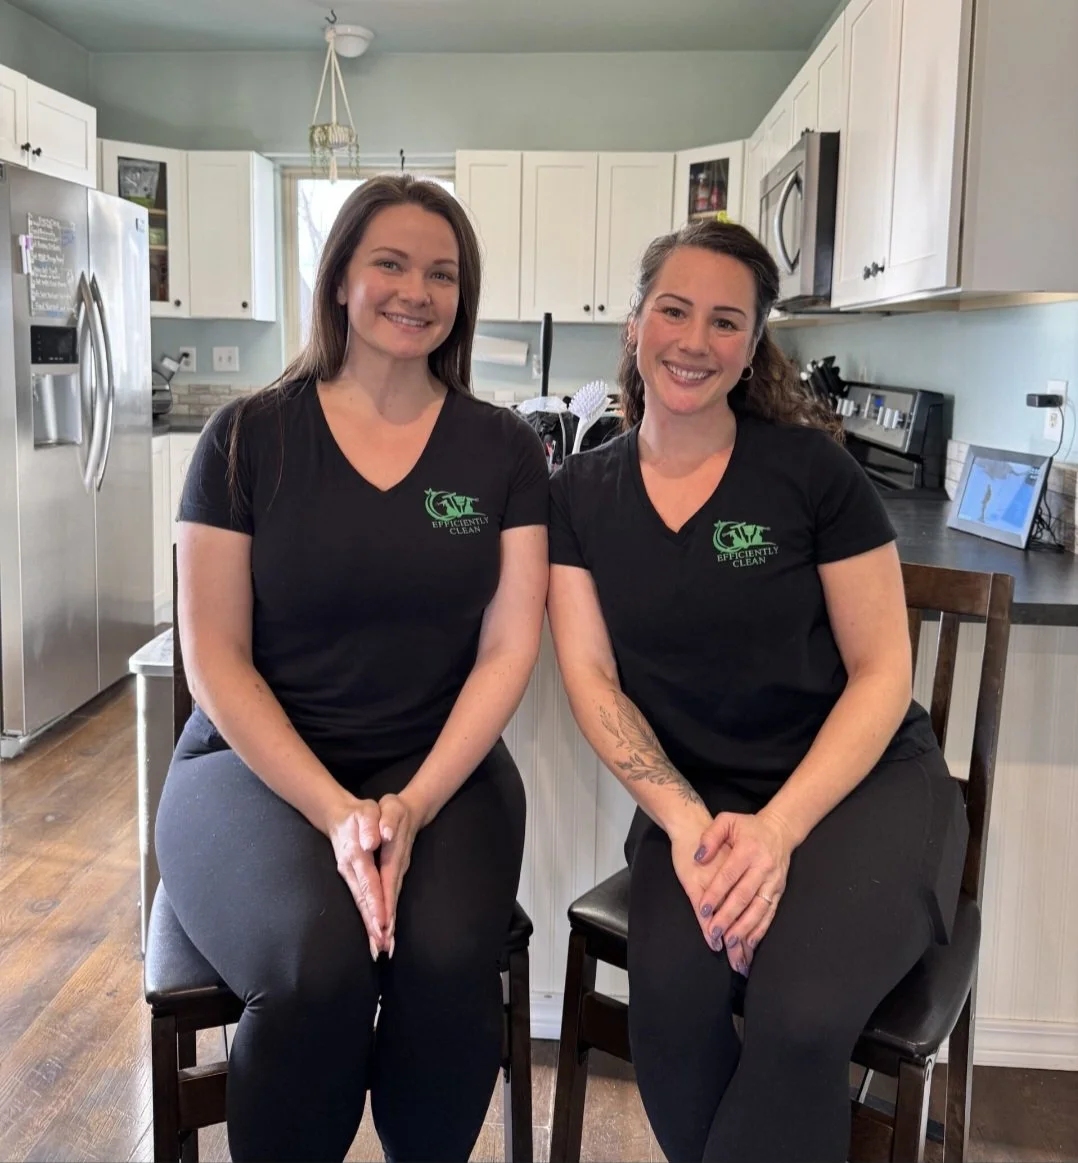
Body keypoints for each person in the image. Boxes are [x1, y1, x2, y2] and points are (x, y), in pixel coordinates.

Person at [546, 219, 968, 1163]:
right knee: (673, 1004)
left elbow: (881, 674)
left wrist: (776, 832)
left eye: (727, 321)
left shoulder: (814, 472)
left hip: (858, 790)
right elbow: (593, 679)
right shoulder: (577, 494)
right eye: (675, 310)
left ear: (753, 344)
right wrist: (695, 829)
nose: (695, 341)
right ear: (635, 322)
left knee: (803, 1013)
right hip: (692, 802)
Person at [155, 175, 549, 1163]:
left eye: (442, 272)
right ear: (339, 279)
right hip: (253, 773)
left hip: (443, 775)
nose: (416, 289)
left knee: (449, 956)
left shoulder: (501, 450)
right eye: (390, 261)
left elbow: (508, 649)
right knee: (314, 967)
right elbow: (216, 660)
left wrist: (406, 805)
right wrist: (338, 810)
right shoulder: (245, 438)